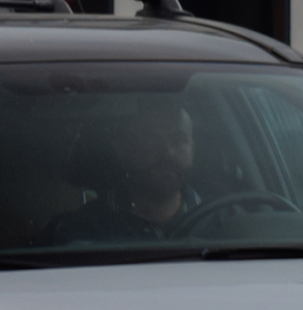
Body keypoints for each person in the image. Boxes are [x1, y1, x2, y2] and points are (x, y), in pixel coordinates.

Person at [50, 99, 202, 243]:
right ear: (122, 149)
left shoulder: (220, 218)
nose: (168, 152)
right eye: (149, 140)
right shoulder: (80, 230)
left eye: (179, 140)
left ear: (192, 150)